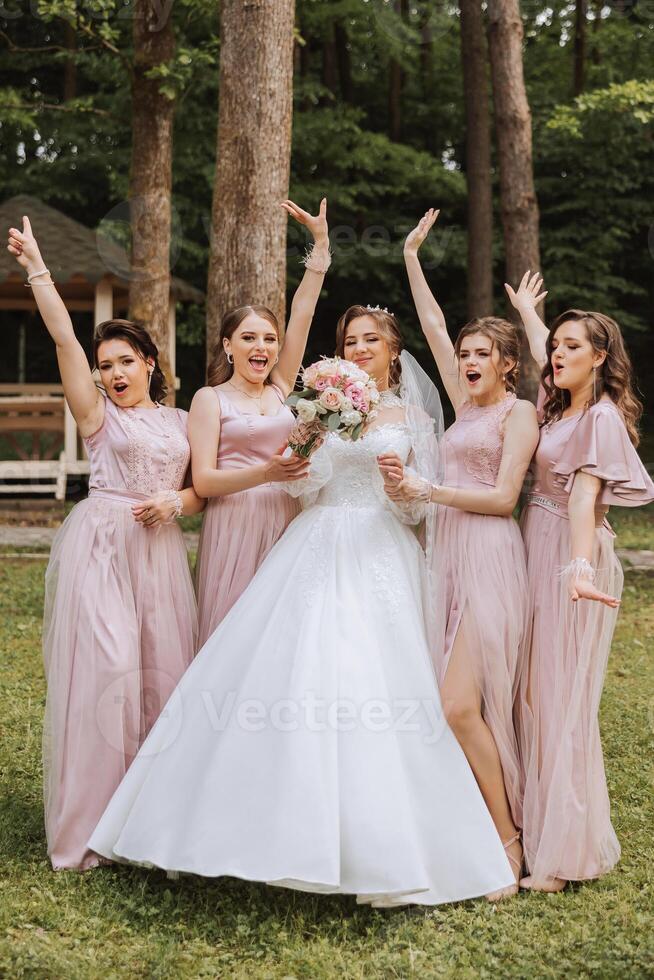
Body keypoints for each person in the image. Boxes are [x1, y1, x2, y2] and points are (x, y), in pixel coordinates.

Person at [88, 305, 515, 907]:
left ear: (394, 350)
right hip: (313, 541)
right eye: (350, 340)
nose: (360, 348)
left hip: (380, 549)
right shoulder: (319, 406)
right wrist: (306, 455)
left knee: (378, 685)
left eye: (371, 340)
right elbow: (301, 484)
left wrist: (401, 491)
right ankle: (249, 825)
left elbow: (419, 509)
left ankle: (387, 841)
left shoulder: (414, 418)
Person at [7, 216, 205, 871]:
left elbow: (202, 489)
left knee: (161, 681)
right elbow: (64, 338)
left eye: (126, 361)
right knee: (110, 676)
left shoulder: (183, 420)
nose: (115, 373)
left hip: (161, 557)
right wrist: (37, 267)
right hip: (102, 549)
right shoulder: (99, 419)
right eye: (106, 366)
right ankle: (92, 830)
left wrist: (176, 501)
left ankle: (149, 824)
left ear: (150, 362)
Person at [377, 210, 539, 899]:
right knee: (452, 700)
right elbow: (434, 327)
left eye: (482, 356)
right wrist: (412, 256)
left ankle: (509, 840)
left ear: (508, 364)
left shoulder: (518, 413)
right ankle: (483, 826)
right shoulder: (464, 406)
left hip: (492, 556)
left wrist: (428, 489)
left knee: (457, 704)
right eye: (465, 355)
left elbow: (504, 499)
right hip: (447, 555)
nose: (468, 362)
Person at [505, 271, 654, 891]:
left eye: (573, 347)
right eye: (555, 345)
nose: (557, 354)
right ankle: (537, 830)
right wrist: (527, 314)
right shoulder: (559, 404)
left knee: (557, 700)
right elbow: (548, 351)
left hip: (569, 555)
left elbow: (584, 499)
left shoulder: (598, 420)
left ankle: (563, 856)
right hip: (536, 545)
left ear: (600, 358)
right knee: (532, 696)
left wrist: (580, 569)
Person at [190, 199, 330, 644]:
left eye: (269, 339)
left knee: (281, 638)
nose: (262, 347)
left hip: (287, 518)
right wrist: (265, 472)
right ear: (228, 346)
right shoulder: (209, 400)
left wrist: (321, 247)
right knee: (233, 635)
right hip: (234, 525)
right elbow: (205, 482)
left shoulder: (282, 387)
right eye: (249, 337)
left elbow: (303, 311)